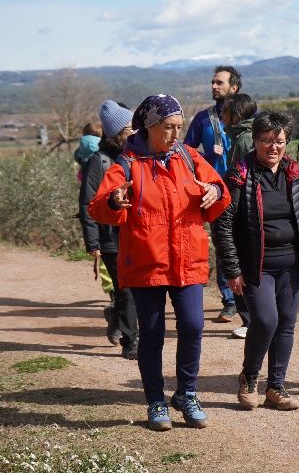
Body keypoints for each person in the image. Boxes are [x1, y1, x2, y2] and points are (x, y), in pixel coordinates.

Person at [89, 94, 230, 432]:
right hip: (145, 264)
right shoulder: (127, 163)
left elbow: (219, 191)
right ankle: (155, 401)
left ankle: (186, 393)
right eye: (168, 127)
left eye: (179, 127)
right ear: (150, 126)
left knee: (194, 326)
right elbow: (98, 207)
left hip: (188, 260)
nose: (174, 134)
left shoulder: (188, 156)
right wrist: (114, 200)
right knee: (152, 335)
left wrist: (213, 193)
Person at [212, 110, 299, 411]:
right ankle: (249, 377)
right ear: (255, 141)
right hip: (256, 266)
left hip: (292, 266)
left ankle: (276, 387)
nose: (273, 147)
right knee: (265, 321)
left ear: (286, 142)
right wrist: (232, 268)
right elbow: (223, 225)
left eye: (279, 141)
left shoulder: (296, 174)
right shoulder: (239, 175)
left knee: (286, 324)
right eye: (265, 141)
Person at [80, 100, 138, 358]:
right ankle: (131, 341)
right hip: (111, 237)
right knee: (126, 288)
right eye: (129, 128)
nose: (134, 131)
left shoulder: (138, 157)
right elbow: (88, 204)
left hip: (139, 234)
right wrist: (92, 243)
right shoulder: (99, 162)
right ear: (115, 134)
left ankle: (117, 315)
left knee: (137, 288)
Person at [183, 65, 240, 324]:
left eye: (219, 82)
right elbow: (185, 153)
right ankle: (229, 301)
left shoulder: (250, 115)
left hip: (246, 190)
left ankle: (250, 299)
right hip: (216, 191)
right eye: (213, 82)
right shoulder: (202, 118)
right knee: (224, 243)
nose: (214, 86)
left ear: (234, 88)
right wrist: (208, 156)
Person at [219, 92, 258, 339]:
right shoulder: (241, 137)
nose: (222, 115)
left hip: (243, 211)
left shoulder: (243, 140)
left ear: (237, 114)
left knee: (239, 263)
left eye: (226, 111)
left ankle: (250, 322)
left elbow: (242, 179)